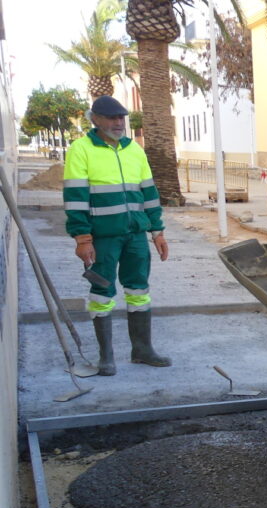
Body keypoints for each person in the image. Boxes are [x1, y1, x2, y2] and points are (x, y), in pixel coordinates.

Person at [65, 95, 172, 376]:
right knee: (102, 292)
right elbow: (75, 198)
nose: (118, 123)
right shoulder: (81, 149)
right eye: (112, 118)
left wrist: (157, 232)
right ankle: (106, 357)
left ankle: (142, 350)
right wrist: (82, 238)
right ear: (95, 119)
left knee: (139, 290)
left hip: (135, 235)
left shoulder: (134, 150)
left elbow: (148, 193)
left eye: (121, 118)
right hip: (103, 237)